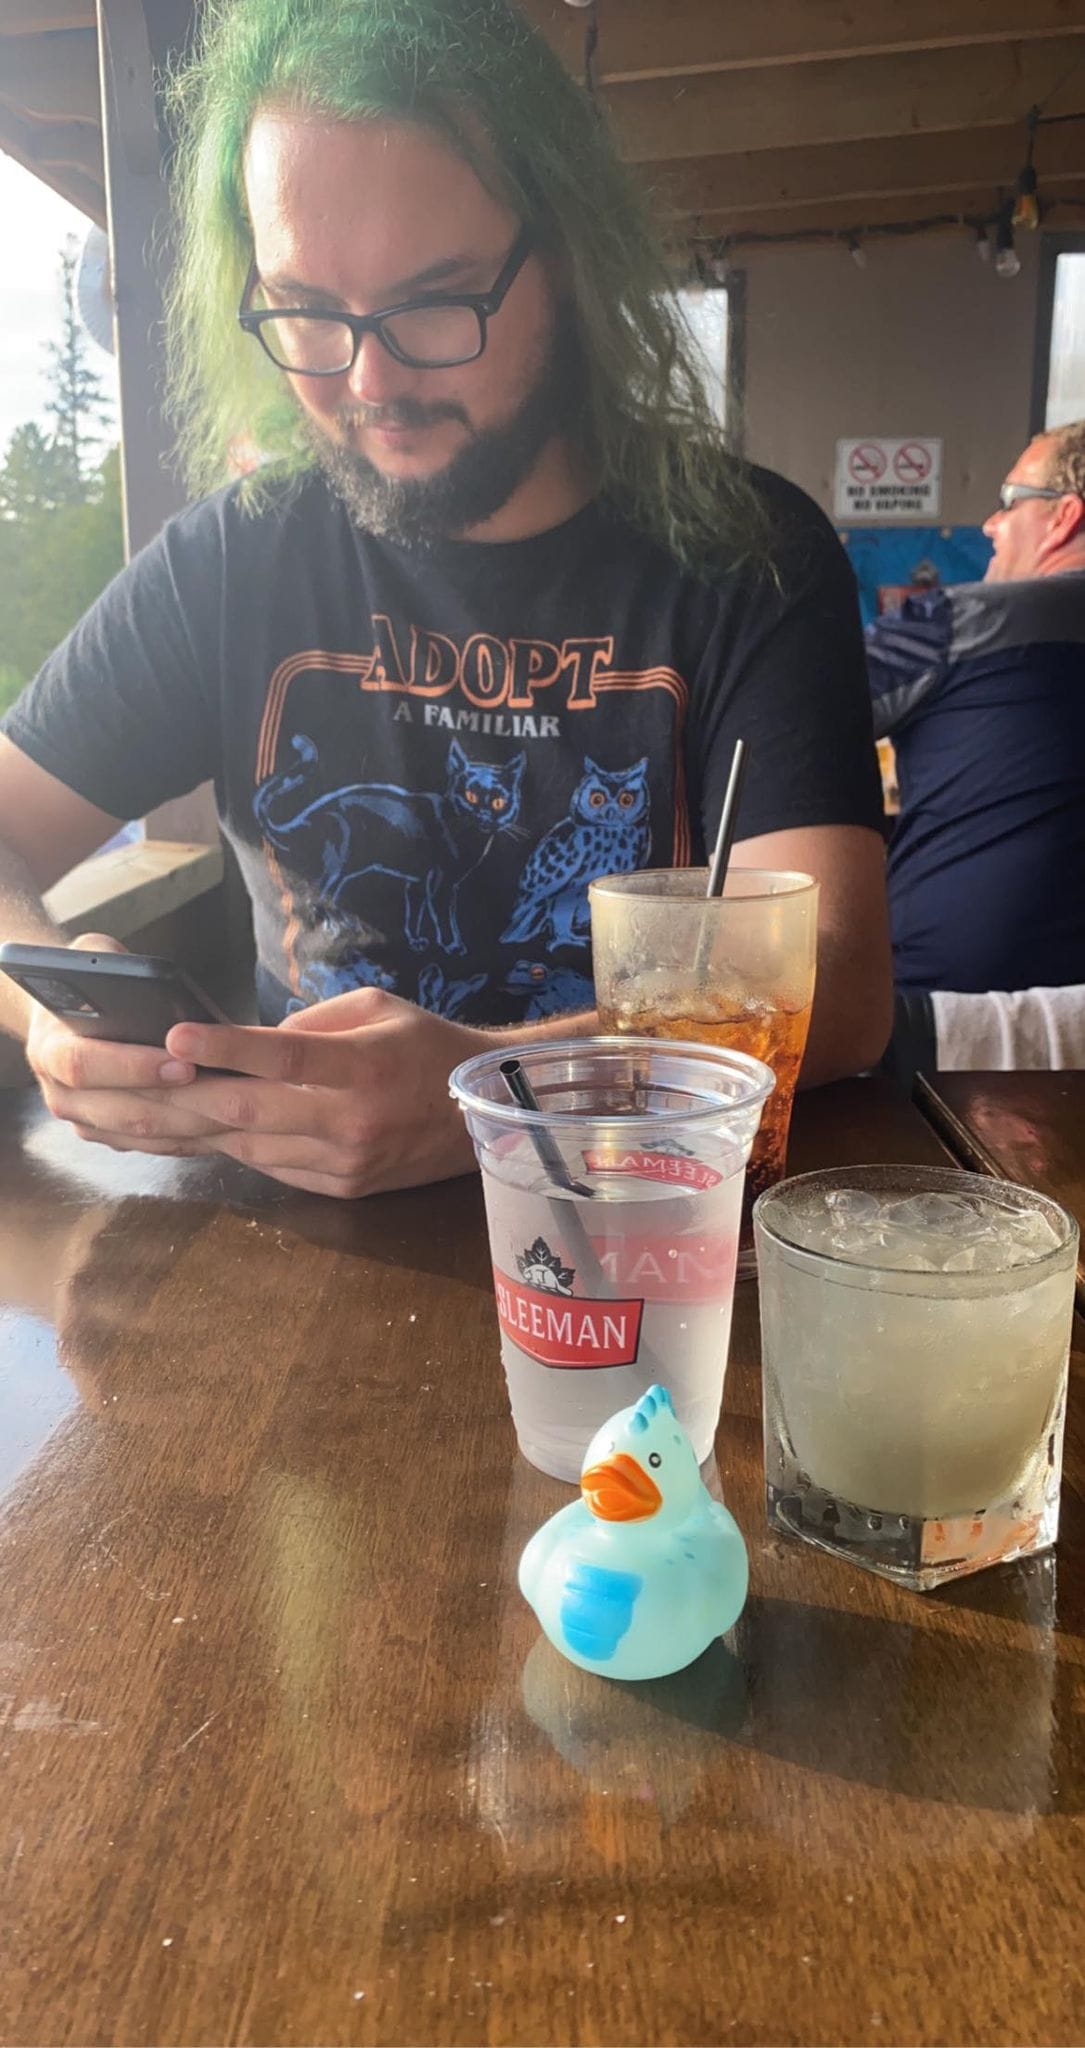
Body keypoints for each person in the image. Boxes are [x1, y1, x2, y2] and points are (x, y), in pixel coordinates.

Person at [0, 0, 891, 1200]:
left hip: (651, 1229)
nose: (370, 380)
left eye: (434, 301)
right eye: (306, 308)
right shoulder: (231, 560)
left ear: (564, 257)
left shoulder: (749, 556)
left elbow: (839, 989)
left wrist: (493, 1083)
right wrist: (50, 995)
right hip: (292, 1255)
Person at [867, 421, 1085, 1016]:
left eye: (1010, 501)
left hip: (947, 1009)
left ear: (1065, 516)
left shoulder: (950, 623)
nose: (991, 523)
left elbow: (796, 725)